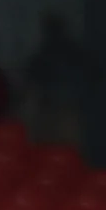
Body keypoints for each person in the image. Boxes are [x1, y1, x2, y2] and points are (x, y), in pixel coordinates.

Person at [20, 12, 88, 148]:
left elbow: (92, 75)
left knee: (66, 152)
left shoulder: (74, 53)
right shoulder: (45, 54)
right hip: (53, 109)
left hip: (64, 110)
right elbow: (30, 79)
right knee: (50, 152)